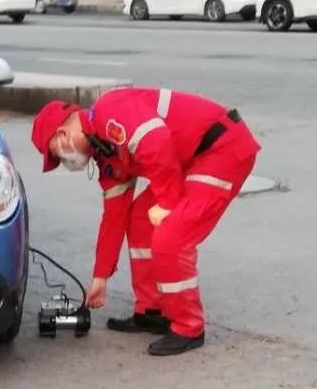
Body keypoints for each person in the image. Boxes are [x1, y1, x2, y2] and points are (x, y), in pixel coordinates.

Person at [31, 88, 260, 356]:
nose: (63, 162)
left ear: (62, 135)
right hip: (189, 158)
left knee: (171, 235)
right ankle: (152, 311)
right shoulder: (106, 155)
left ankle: (189, 328)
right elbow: (114, 216)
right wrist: (100, 277)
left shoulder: (110, 111)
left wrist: (168, 203)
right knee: (140, 221)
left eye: (57, 155)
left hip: (221, 149)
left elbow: (157, 142)